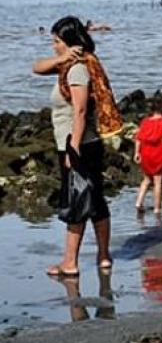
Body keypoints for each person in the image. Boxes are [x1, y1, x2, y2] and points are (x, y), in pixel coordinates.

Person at [32, 16, 113, 277]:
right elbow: (37, 68)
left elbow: (79, 111)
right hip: (87, 143)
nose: (53, 46)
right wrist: (61, 58)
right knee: (96, 200)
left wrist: (72, 148)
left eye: (57, 42)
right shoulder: (70, 64)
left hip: (77, 143)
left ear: (69, 42)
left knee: (75, 203)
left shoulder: (77, 69)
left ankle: (70, 262)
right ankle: (103, 257)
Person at [134, 96, 162, 215]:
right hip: (158, 155)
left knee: (146, 179)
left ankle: (138, 202)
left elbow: (139, 138)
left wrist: (137, 153)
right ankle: (157, 208)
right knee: (158, 181)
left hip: (145, 154)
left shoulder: (145, 121)